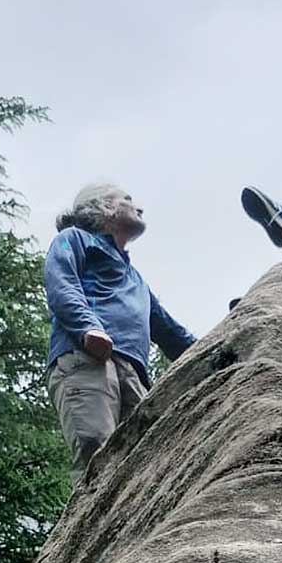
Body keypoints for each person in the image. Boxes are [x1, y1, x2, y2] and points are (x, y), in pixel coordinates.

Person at [44, 183, 196, 485]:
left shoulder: (135, 279)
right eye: (127, 199)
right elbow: (60, 283)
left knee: (146, 464)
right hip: (88, 358)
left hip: (134, 374)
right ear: (104, 207)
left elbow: (169, 331)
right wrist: (88, 327)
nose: (138, 206)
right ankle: (91, 529)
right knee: (98, 452)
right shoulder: (73, 240)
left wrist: (218, 349)